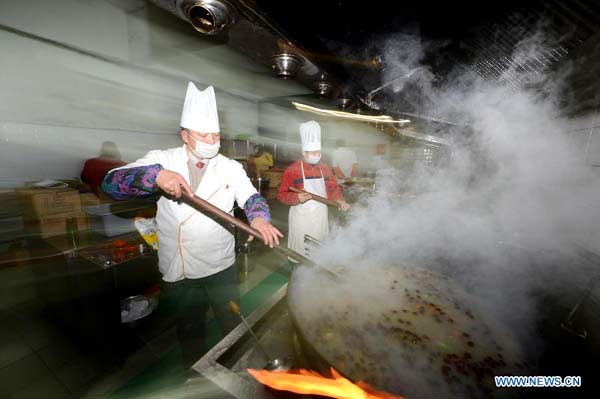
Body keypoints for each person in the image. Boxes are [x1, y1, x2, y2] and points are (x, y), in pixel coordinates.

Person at [101, 82, 282, 369]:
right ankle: (193, 373)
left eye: (216, 134)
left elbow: (252, 197)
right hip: (179, 266)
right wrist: (155, 177)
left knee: (231, 321)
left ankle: (242, 370)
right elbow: (110, 183)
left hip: (219, 263)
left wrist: (259, 217)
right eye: (203, 134)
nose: (212, 140)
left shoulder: (230, 167)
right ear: (185, 135)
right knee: (189, 326)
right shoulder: (161, 160)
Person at [277, 121, 350, 256]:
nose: (316, 155)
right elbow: (282, 194)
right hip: (301, 219)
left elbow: (333, 188)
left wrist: (340, 200)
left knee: (319, 253)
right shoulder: (292, 170)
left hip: (320, 217)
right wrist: (296, 198)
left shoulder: (324, 168)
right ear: (304, 152)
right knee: (300, 254)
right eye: (312, 152)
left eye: (318, 152)